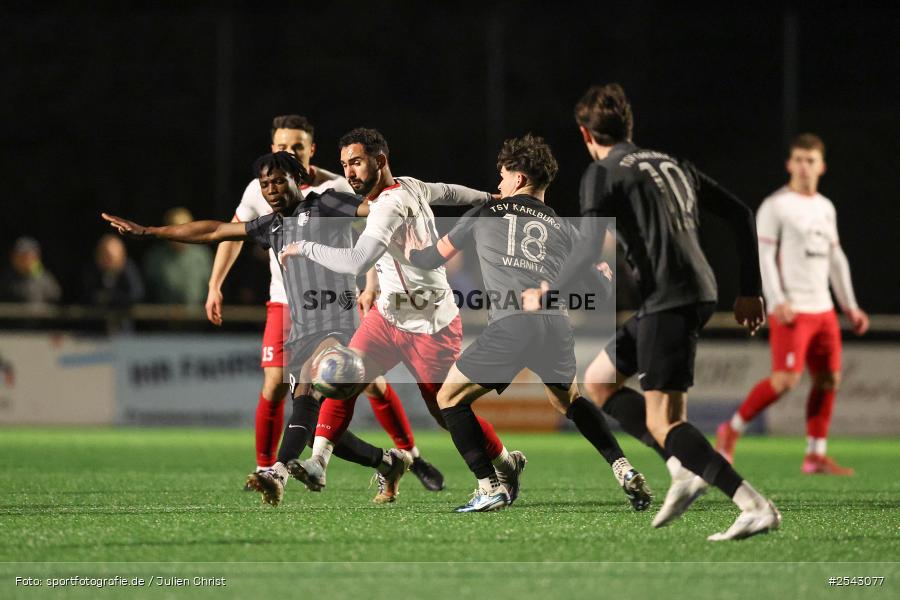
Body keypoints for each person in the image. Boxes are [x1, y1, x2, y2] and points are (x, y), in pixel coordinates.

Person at [525, 83, 780, 541]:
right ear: (629, 126)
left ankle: (753, 505)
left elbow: (585, 249)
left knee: (667, 422)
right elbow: (741, 214)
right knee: (600, 381)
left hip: (670, 298)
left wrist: (547, 293)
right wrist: (750, 291)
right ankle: (681, 470)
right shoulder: (670, 163)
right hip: (694, 291)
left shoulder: (602, 172)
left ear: (585, 133)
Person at [102, 151, 411, 507]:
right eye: (265, 184)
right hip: (303, 330)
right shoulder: (272, 225)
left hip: (340, 323)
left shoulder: (327, 205)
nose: (272, 189)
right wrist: (150, 231)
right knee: (308, 426)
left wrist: (405, 206)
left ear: (298, 178)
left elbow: (375, 210)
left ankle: (276, 473)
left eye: (279, 180)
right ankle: (388, 462)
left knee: (309, 390)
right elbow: (216, 231)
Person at [409, 134, 652, 513]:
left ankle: (489, 486)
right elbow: (604, 284)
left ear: (519, 179)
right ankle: (622, 467)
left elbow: (426, 260)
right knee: (567, 400)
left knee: (448, 399)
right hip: (555, 326)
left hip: (512, 324)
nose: (498, 185)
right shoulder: (564, 227)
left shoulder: (484, 214)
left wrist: (396, 240)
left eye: (503, 176)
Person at [278, 128, 517, 501]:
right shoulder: (410, 185)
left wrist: (305, 245)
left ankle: (505, 462)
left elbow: (358, 259)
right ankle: (318, 463)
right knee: (344, 373)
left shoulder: (387, 205)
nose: (350, 172)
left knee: (446, 409)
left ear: (380, 160)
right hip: (388, 315)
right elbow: (449, 191)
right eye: (345, 165)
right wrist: (490, 196)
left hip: (430, 323)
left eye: (356, 162)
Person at [205, 114, 443, 491]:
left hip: (334, 303)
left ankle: (409, 455)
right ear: (273, 148)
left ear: (310, 150)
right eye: (283, 146)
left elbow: (374, 233)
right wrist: (215, 284)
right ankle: (268, 466)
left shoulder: (335, 186)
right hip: (284, 302)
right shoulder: (259, 188)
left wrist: (370, 285)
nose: (289, 151)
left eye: (297, 146)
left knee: (371, 384)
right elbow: (230, 232)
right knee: (277, 385)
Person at [716, 133, 869, 475]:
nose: (803, 166)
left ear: (821, 166)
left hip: (824, 309)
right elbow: (765, 256)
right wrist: (777, 299)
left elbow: (835, 258)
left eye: (810, 160)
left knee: (829, 379)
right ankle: (731, 430)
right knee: (785, 380)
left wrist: (851, 306)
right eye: (798, 159)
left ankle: (815, 454)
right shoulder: (776, 206)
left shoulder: (825, 207)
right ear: (789, 164)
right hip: (793, 309)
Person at [143, 207, 212, 304]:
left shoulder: (202, 256)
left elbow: (209, 288)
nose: (181, 234)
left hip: (198, 316)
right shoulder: (155, 257)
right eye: (175, 229)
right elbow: (149, 291)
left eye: (186, 229)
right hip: (162, 316)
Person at [82, 234, 144, 309]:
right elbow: (86, 295)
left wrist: (111, 298)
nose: (107, 261)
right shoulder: (92, 270)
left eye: (111, 257)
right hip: (96, 317)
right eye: (104, 255)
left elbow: (136, 295)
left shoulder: (128, 270)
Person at [0, 237, 61, 305]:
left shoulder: (44, 278)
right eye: (21, 256)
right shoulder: (6, 278)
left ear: (37, 257)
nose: (25, 260)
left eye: (28, 256)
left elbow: (55, 297)